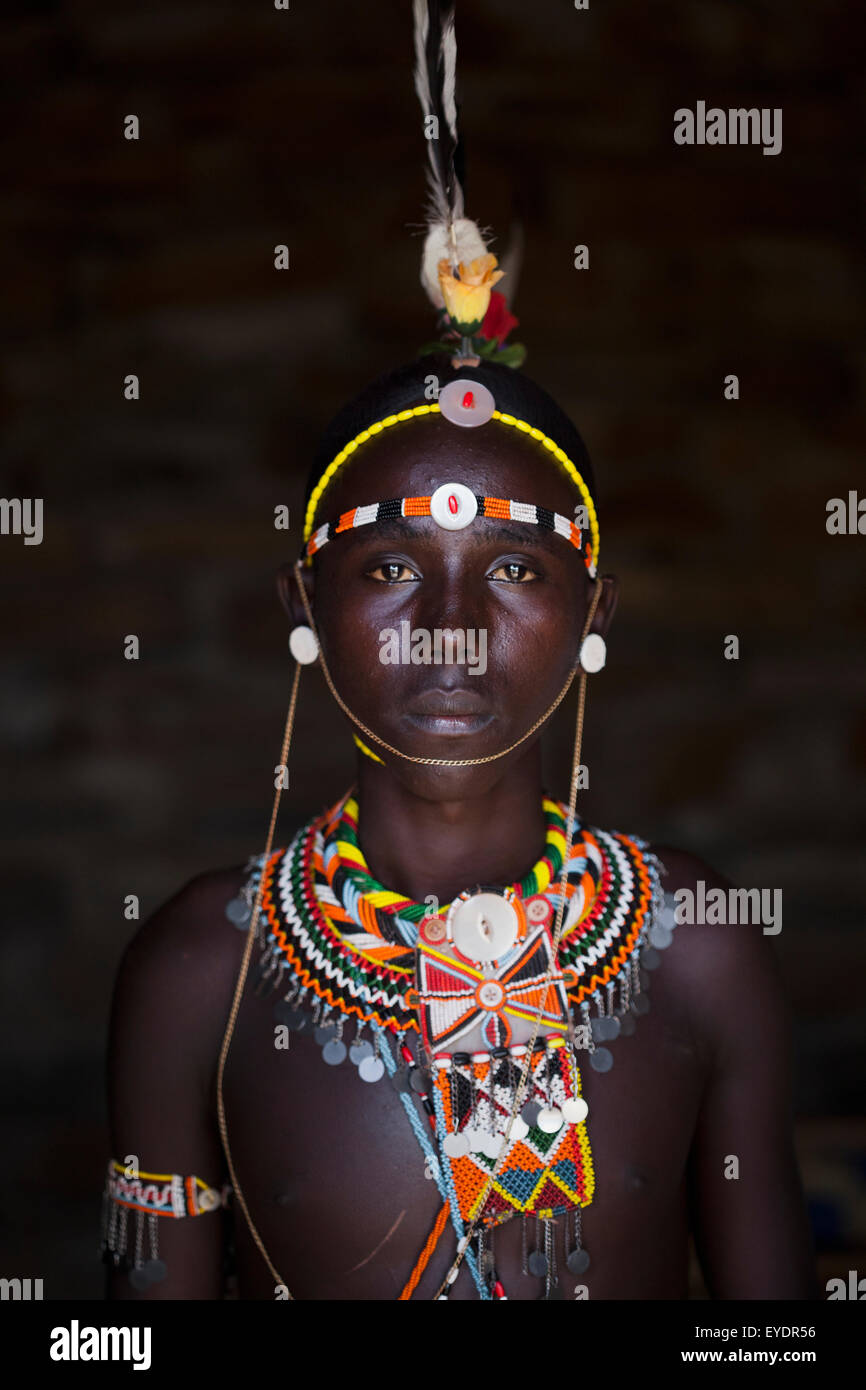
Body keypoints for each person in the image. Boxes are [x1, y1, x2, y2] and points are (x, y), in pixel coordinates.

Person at [101, 2, 817, 1302]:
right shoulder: (198, 967)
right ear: (300, 602)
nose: (448, 620)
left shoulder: (700, 947)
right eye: (386, 568)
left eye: (515, 569)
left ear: (591, 615)